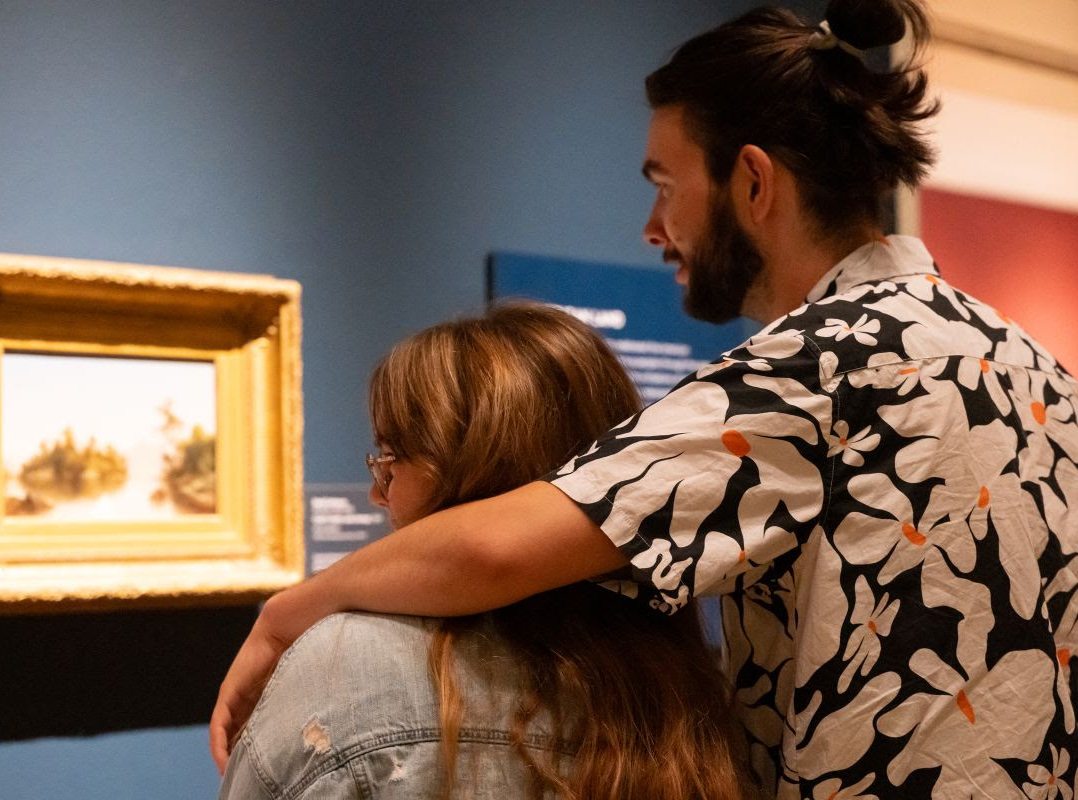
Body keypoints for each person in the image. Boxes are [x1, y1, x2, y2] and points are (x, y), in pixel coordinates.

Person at [213, 1, 1078, 797]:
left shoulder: (826, 365)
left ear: (752, 181)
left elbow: (497, 547)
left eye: (665, 184)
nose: (652, 227)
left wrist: (286, 613)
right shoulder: (1031, 364)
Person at [217, 303, 758, 800]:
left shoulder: (345, 665)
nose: (377, 492)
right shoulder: (685, 689)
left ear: (474, 472)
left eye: (390, 458)